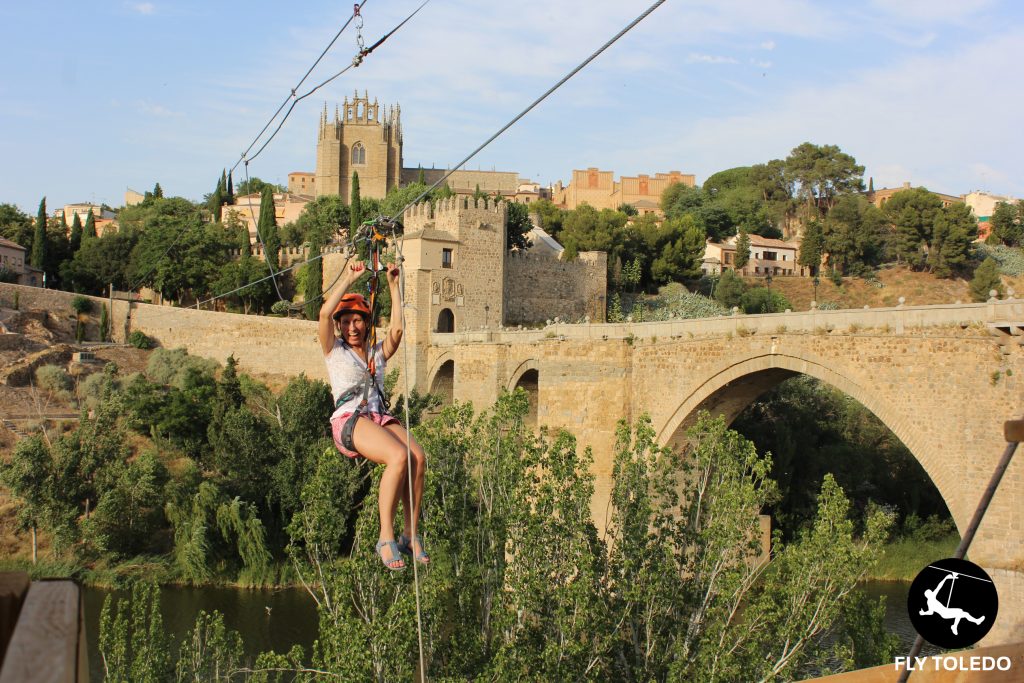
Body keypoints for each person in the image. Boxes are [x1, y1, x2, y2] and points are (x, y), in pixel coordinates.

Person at [319, 260, 428, 571]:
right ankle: (385, 536)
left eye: (358, 321)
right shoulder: (333, 351)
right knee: (397, 457)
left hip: (377, 418)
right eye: (347, 322)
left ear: (366, 324)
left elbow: (397, 330)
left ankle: (409, 533)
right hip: (349, 421)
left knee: (417, 458)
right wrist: (348, 280)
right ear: (340, 326)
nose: (352, 328)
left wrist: (394, 286)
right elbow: (324, 314)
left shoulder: (376, 354)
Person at [919, 572, 985, 635]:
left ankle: (976, 621)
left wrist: (946, 578)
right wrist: (924, 613)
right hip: (944, 613)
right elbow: (931, 612)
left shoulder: (931, 598)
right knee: (959, 611)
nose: (932, 592)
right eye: (930, 592)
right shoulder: (930, 601)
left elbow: (939, 587)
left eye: (931, 591)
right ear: (927, 595)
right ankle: (954, 626)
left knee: (965, 613)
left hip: (946, 611)